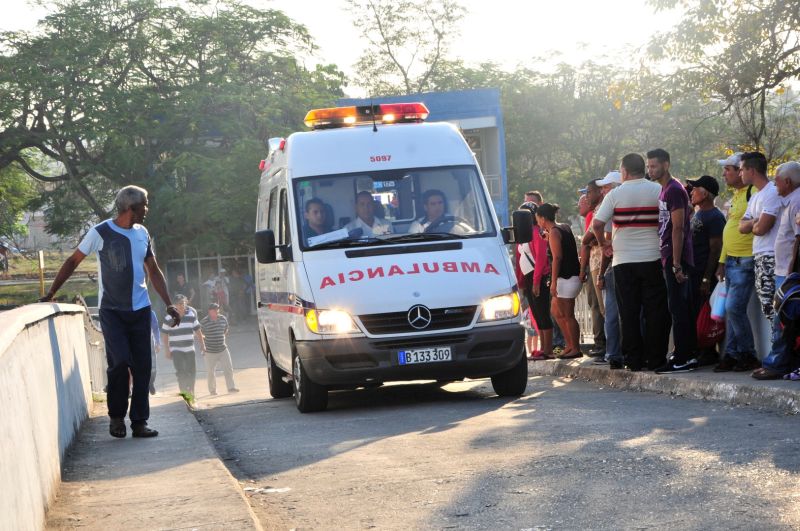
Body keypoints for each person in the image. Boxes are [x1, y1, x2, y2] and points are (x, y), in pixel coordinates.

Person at [40, 185, 179, 438]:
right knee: (119, 363)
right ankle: (116, 418)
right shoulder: (101, 232)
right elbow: (73, 261)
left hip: (140, 309)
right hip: (112, 311)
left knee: (143, 366)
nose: (147, 210)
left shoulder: (142, 233)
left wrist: (168, 302)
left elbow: (154, 270)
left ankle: (139, 422)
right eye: (144, 205)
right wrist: (51, 292)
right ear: (130, 207)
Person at [592, 154, 670, 372]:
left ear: (624, 171)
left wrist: (603, 245)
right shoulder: (657, 191)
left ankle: (633, 359)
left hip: (623, 261)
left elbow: (597, 225)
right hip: (653, 258)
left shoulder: (615, 195)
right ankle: (656, 359)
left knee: (629, 312)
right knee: (655, 312)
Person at [647, 148, 698, 373]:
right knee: (675, 307)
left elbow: (678, 228)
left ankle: (685, 357)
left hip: (677, 257)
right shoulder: (664, 189)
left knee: (679, 309)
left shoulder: (675, 190)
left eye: (654, 166)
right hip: (668, 254)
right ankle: (682, 353)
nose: (651, 170)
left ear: (666, 165)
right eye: (648, 166)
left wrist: (677, 263)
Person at [752, 162, 800, 380]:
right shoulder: (788, 200)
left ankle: (778, 364)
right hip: (782, 269)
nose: (775, 183)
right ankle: (781, 361)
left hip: (788, 273)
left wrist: (791, 274)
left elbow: (797, 240)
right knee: (784, 320)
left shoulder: (797, 200)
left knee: (783, 321)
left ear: (788, 181)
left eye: (777, 179)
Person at [714, 152, 758, 372]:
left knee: (734, 308)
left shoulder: (754, 192)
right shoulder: (737, 195)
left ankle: (748, 354)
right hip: (731, 260)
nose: (725, 174)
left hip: (745, 259)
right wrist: (722, 261)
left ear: (742, 171)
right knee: (731, 311)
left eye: (728, 170)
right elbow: (728, 229)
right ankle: (732, 354)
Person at [685, 175, 726, 365]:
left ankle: (708, 351)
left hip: (704, 273)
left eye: (695, 189)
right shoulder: (698, 213)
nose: (691, 192)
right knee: (693, 312)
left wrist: (706, 278)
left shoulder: (715, 217)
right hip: (692, 272)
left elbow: (716, 249)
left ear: (705, 193)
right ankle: (697, 348)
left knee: (705, 313)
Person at [738, 151, 781, 323]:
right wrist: (755, 221)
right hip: (760, 257)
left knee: (774, 308)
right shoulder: (755, 196)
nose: (740, 173)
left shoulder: (772, 192)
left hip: (771, 256)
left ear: (752, 170)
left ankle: (782, 350)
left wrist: (754, 224)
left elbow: (762, 228)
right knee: (767, 307)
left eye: (742, 169)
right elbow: (742, 227)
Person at [536, 203, 583, 359]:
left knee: (567, 314)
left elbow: (557, 257)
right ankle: (569, 345)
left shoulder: (555, 232)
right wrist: (548, 237)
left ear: (543, 218)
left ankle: (575, 347)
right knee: (556, 312)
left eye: (538, 218)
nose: (537, 221)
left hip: (566, 277)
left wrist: (553, 281)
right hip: (569, 277)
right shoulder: (563, 228)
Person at [514, 201, 554, 359]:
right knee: (536, 314)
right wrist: (522, 282)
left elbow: (540, 258)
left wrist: (536, 281)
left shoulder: (536, 232)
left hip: (538, 277)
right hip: (529, 278)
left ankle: (547, 350)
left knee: (543, 313)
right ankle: (542, 349)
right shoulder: (523, 234)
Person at [594, 171, 623, 368]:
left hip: (616, 265)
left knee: (613, 314)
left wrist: (603, 272)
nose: (602, 190)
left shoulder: (613, 206)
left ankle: (614, 353)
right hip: (623, 263)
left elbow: (607, 244)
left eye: (606, 186)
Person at [578, 180, 606, 358]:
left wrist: (582, 270)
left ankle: (604, 346)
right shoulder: (595, 211)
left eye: (588, 193)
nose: (585, 198)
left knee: (600, 308)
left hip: (599, 263)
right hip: (596, 264)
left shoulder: (598, 212)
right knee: (598, 307)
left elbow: (587, 242)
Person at [161, 295, 204, 396]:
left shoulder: (191, 315)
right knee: (181, 372)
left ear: (186, 304)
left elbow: (198, 330)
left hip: (190, 349)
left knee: (192, 371)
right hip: (176, 349)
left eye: (183, 303)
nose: (181, 306)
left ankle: (191, 391)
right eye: (179, 304)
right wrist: (167, 349)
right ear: (174, 305)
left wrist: (202, 344)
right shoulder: (169, 318)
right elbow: (165, 334)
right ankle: (185, 392)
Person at [200, 303, 239, 395]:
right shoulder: (204, 322)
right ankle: (212, 390)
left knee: (228, 368)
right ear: (209, 311)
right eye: (214, 310)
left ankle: (231, 387)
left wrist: (220, 337)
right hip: (209, 351)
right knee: (210, 372)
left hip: (223, 349)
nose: (217, 311)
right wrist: (204, 343)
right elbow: (199, 334)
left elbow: (226, 329)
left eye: (217, 309)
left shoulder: (223, 319)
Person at [149, 309, 161, 395]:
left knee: (153, 366)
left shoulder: (151, 313)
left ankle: (151, 383)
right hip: (136, 341)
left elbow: (156, 328)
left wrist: (158, 342)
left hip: (150, 342)